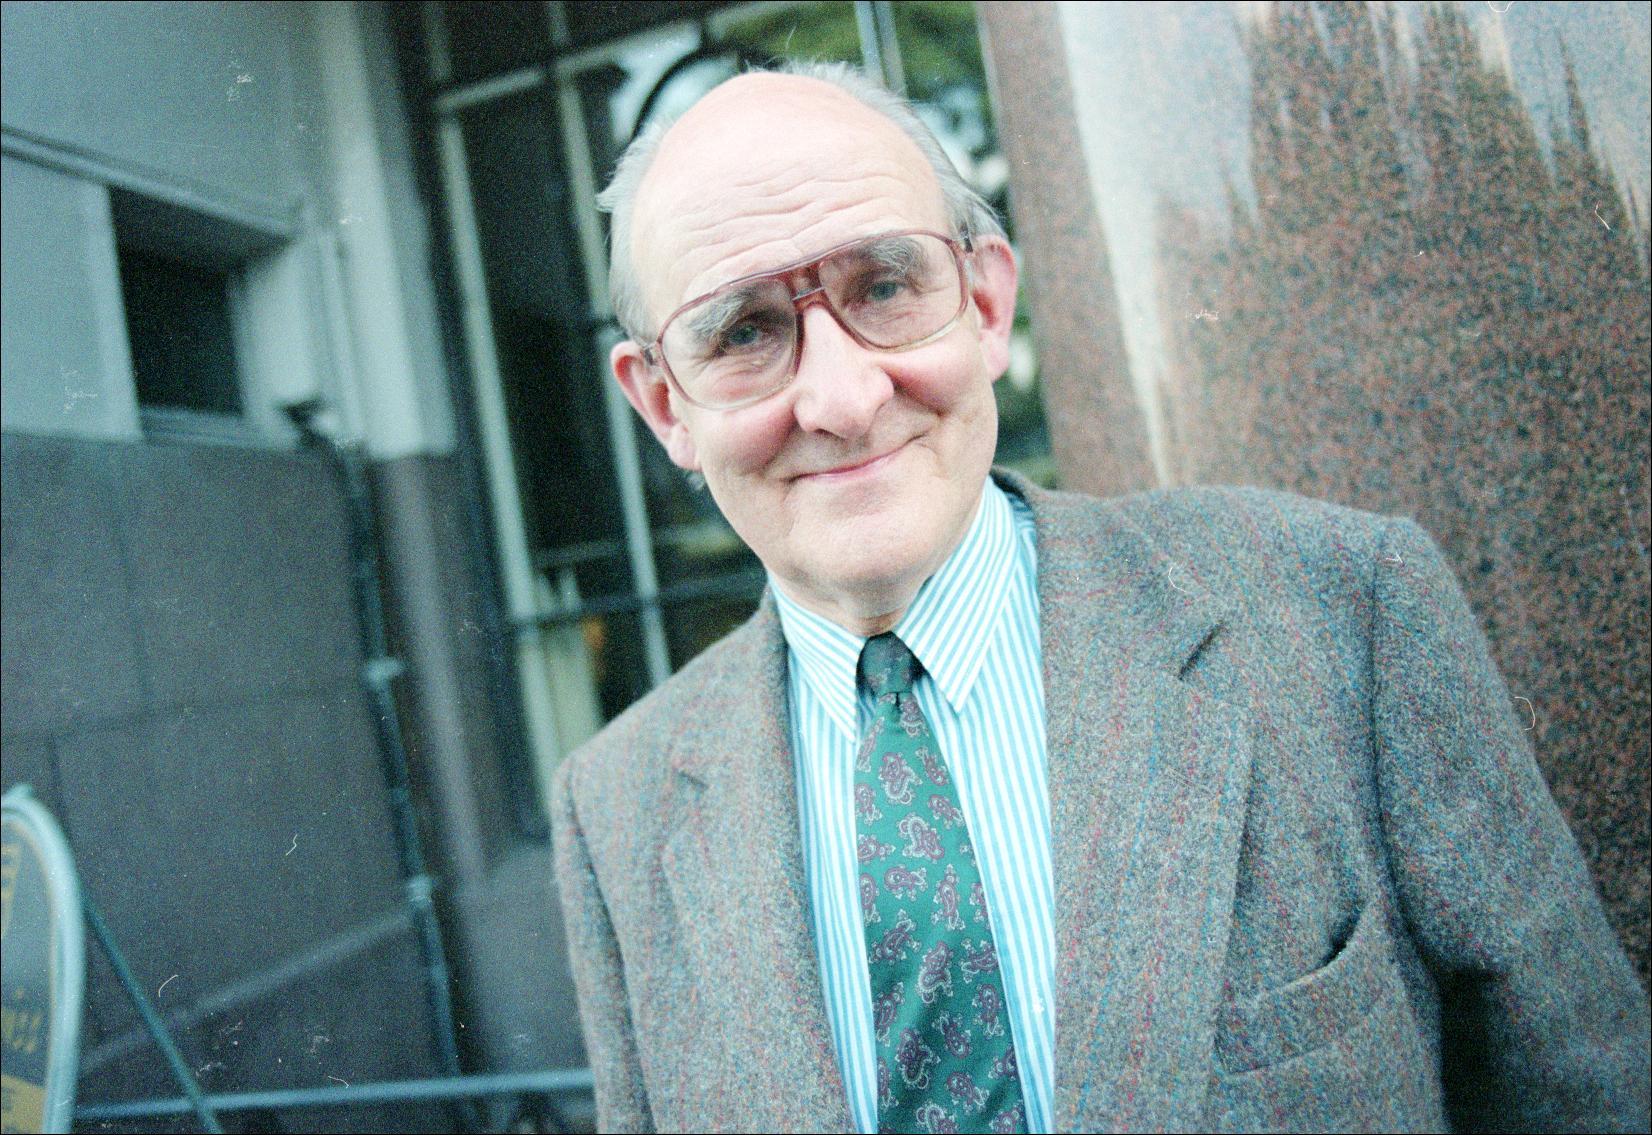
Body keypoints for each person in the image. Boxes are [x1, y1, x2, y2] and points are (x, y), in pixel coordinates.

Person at [551, 61, 1649, 1134]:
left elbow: (1589, 1093)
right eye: (743, 332)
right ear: (663, 405)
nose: (841, 397)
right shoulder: (615, 814)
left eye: (883, 288)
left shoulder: (1339, 608)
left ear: (986, 303)